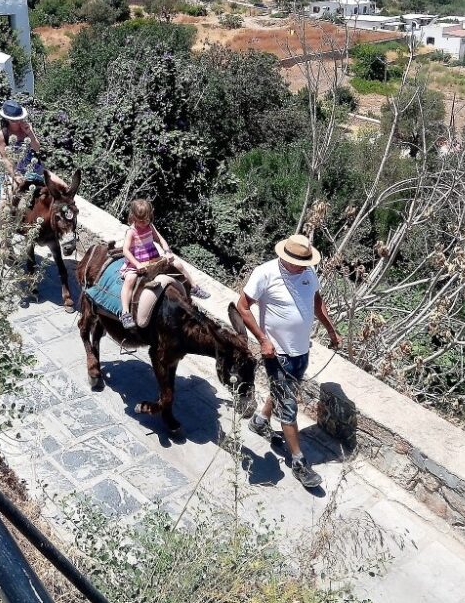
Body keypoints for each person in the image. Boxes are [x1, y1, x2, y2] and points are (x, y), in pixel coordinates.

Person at [235, 234, 342, 488]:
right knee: (288, 406)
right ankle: (298, 461)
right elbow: (242, 306)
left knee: (285, 392)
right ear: (285, 256)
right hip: (277, 353)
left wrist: (331, 330)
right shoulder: (266, 273)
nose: (303, 265)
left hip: (301, 351)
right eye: (298, 261)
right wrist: (262, 340)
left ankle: (260, 422)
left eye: (306, 261)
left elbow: (317, 303)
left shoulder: (308, 273)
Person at [119, 198, 210, 329]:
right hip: (137, 263)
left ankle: (194, 287)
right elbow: (125, 250)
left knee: (178, 265)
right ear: (133, 217)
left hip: (153, 260)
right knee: (130, 279)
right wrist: (137, 264)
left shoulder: (150, 227)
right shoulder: (131, 232)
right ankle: (125, 313)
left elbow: (161, 240)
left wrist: (167, 252)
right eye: (141, 221)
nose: (144, 223)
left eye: (147, 220)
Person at [0, 99, 67, 211]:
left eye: (19, 119)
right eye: (14, 120)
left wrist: (29, 133)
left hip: (35, 168)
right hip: (16, 170)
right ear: (7, 119)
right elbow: (5, 159)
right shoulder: (2, 135)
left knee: (63, 187)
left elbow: (37, 148)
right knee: (4, 203)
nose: (17, 122)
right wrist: (15, 175)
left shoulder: (27, 128)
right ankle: (4, 226)